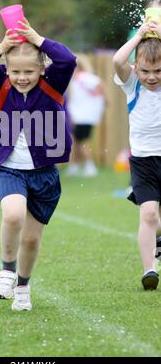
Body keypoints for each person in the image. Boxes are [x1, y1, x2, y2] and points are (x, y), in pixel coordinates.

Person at [0, 19, 76, 311]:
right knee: (13, 216)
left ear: (41, 69)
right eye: (15, 71)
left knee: (30, 239)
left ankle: (23, 288)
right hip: (10, 168)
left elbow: (68, 58)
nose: (22, 77)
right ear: (6, 69)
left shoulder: (53, 82)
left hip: (44, 174)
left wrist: (38, 39)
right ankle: (6, 270)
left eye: (29, 71)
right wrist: (0, 48)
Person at [113, 17, 161, 290]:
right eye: (145, 71)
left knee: (159, 221)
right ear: (136, 68)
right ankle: (149, 270)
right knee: (149, 214)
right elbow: (117, 61)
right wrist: (140, 34)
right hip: (143, 161)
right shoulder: (133, 85)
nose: (151, 77)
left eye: (158, 71)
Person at [67, 53, 106, 177]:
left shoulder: (83, 77)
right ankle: (75, 166)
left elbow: (99, 87)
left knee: (82, 141)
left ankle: (90, 166)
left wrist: (97, 97)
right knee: (78, 141)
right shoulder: (78, 79)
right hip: (82, 116)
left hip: (83, 116)